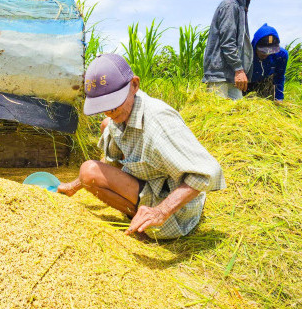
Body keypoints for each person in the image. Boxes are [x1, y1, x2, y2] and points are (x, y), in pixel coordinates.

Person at [58, 53, 225, 240]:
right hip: (148, 182)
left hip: (176, 211)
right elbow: (112, 161)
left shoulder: (159, 123)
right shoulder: (118, 117)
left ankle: (144, 224)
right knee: (106, 126)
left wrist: (161, 211)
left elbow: (207, 171)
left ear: (134, 85)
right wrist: (75, 185)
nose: (109, 111)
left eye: (113, 102)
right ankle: (136, 211)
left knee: (89, 170)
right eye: (102, 105)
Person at [203, 0, 268, 99]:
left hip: (230, 75)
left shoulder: (240, 9)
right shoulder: (230, 6)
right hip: (219, 77)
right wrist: (239, 69)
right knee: (218, 116)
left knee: (237, 116)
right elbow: (228, 42)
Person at [247, 23, 289, 103]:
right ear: (255, 46)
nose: (266, 54)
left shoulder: (281, 55)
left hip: (264, 82)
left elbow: (279, 77)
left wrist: (279, 98)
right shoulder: (246, 53)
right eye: (263, 51)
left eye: (270, 51)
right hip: (246, 82)